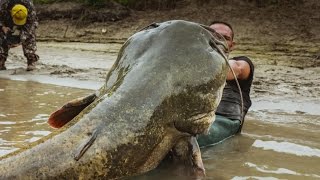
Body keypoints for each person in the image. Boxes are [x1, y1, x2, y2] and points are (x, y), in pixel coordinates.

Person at [197, 21, 254, 147]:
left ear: (232, 45)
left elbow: (236, 69)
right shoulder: (192, 65)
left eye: (225, 38)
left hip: (225, 121)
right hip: (195, 120)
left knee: (186, 139)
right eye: (214, 36)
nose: (219, 41)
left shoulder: (243, 63)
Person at [0, 0, 39, 71]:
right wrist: (3, 27)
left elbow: (31, 25)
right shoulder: (3, 5)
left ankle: (31, 61)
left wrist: (19, 40)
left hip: (27, 22)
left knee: (29, 35)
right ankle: (1, 60)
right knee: (1, 34)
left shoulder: (30, 8)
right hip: (7, 20)